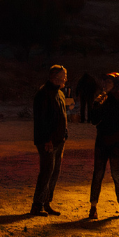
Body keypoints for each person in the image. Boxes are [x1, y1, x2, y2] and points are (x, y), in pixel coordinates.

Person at [89, 72, 119, 220]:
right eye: (105, 82)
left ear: (116, 85)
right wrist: (96, 105)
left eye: (109, 82)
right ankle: (93, 207)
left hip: (117, 143)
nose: (105, 85)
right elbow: (93, 120)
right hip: (102, 141)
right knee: (98, 174)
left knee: (117, 174)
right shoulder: (102, 100)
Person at [31, 65, 68, 216]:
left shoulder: (59, 93)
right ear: (55, 77)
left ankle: (46, 202)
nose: (65, 79)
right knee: (46, 171)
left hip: (59, 140)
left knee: (54, 172)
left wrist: (64, 134)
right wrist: (47, 139)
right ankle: (37, 205)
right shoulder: (43, 94)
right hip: (48, 141)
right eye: (63, 76)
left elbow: (61, 116)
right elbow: (42, 120)